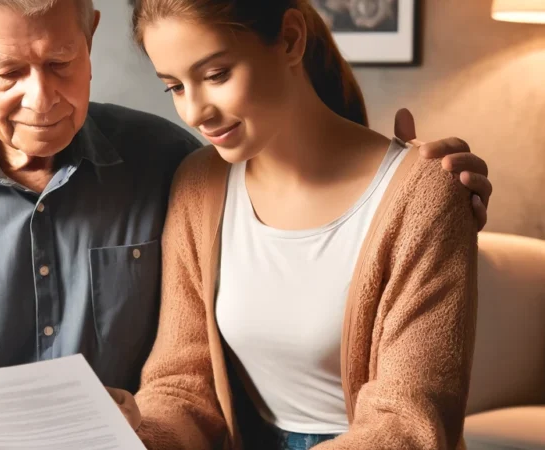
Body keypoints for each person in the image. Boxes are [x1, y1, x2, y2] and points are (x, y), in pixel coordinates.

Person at [0, 0, 490, 449]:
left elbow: (400, 410)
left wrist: (421, 184)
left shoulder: (170, 162)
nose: (43, 98)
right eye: (8, 73)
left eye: (62, 62)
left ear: (89, 34)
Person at [131, 0, 481, 449]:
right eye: (175, 87)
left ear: (291, 40)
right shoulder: (198, 184)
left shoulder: (425, 194)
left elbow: (408, 422)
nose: (195, 112)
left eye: (216, 75)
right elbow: (182, 384)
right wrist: (136, 436)